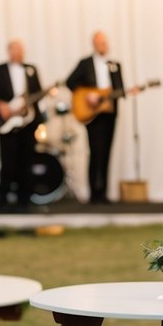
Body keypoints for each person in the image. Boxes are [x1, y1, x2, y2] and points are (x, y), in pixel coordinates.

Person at [0, 40, 44, 213]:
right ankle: (3, 200)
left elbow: (37, 94)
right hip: (7, 125)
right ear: (9, 51)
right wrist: (0, 105)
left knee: (26, 161)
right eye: (16, 49)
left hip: (27, 123)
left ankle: (24, 201)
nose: (19, 52)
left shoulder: (31, 70)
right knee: (7, 162)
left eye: (21, 50)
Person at [66, 30, 125, 205]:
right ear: (94, 44)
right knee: (95, 151)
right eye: (101, 43)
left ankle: (104, 193)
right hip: (93, 114)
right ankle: (93, 192)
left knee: (107, 152)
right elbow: (70, 82)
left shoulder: (114, 65)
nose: (104, 46)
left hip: (109, 113)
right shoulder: (85, 64)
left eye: (105, 43)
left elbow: (120, 88)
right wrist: (87, 95)